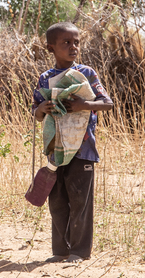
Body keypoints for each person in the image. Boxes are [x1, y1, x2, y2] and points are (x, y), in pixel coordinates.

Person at [32, 22, 114, 263]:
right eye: (66, 42)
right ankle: (60, 251)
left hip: (83, 149)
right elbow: (36, 115)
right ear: (51, 47)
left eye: (76, 42)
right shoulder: (46, 78)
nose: (73, 47)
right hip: (56, 148)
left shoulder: (86, 74)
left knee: (80, 201)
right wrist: (41, 108)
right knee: (57, 200)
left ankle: (79, 251)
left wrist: (84, 105)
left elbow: (107, 103)